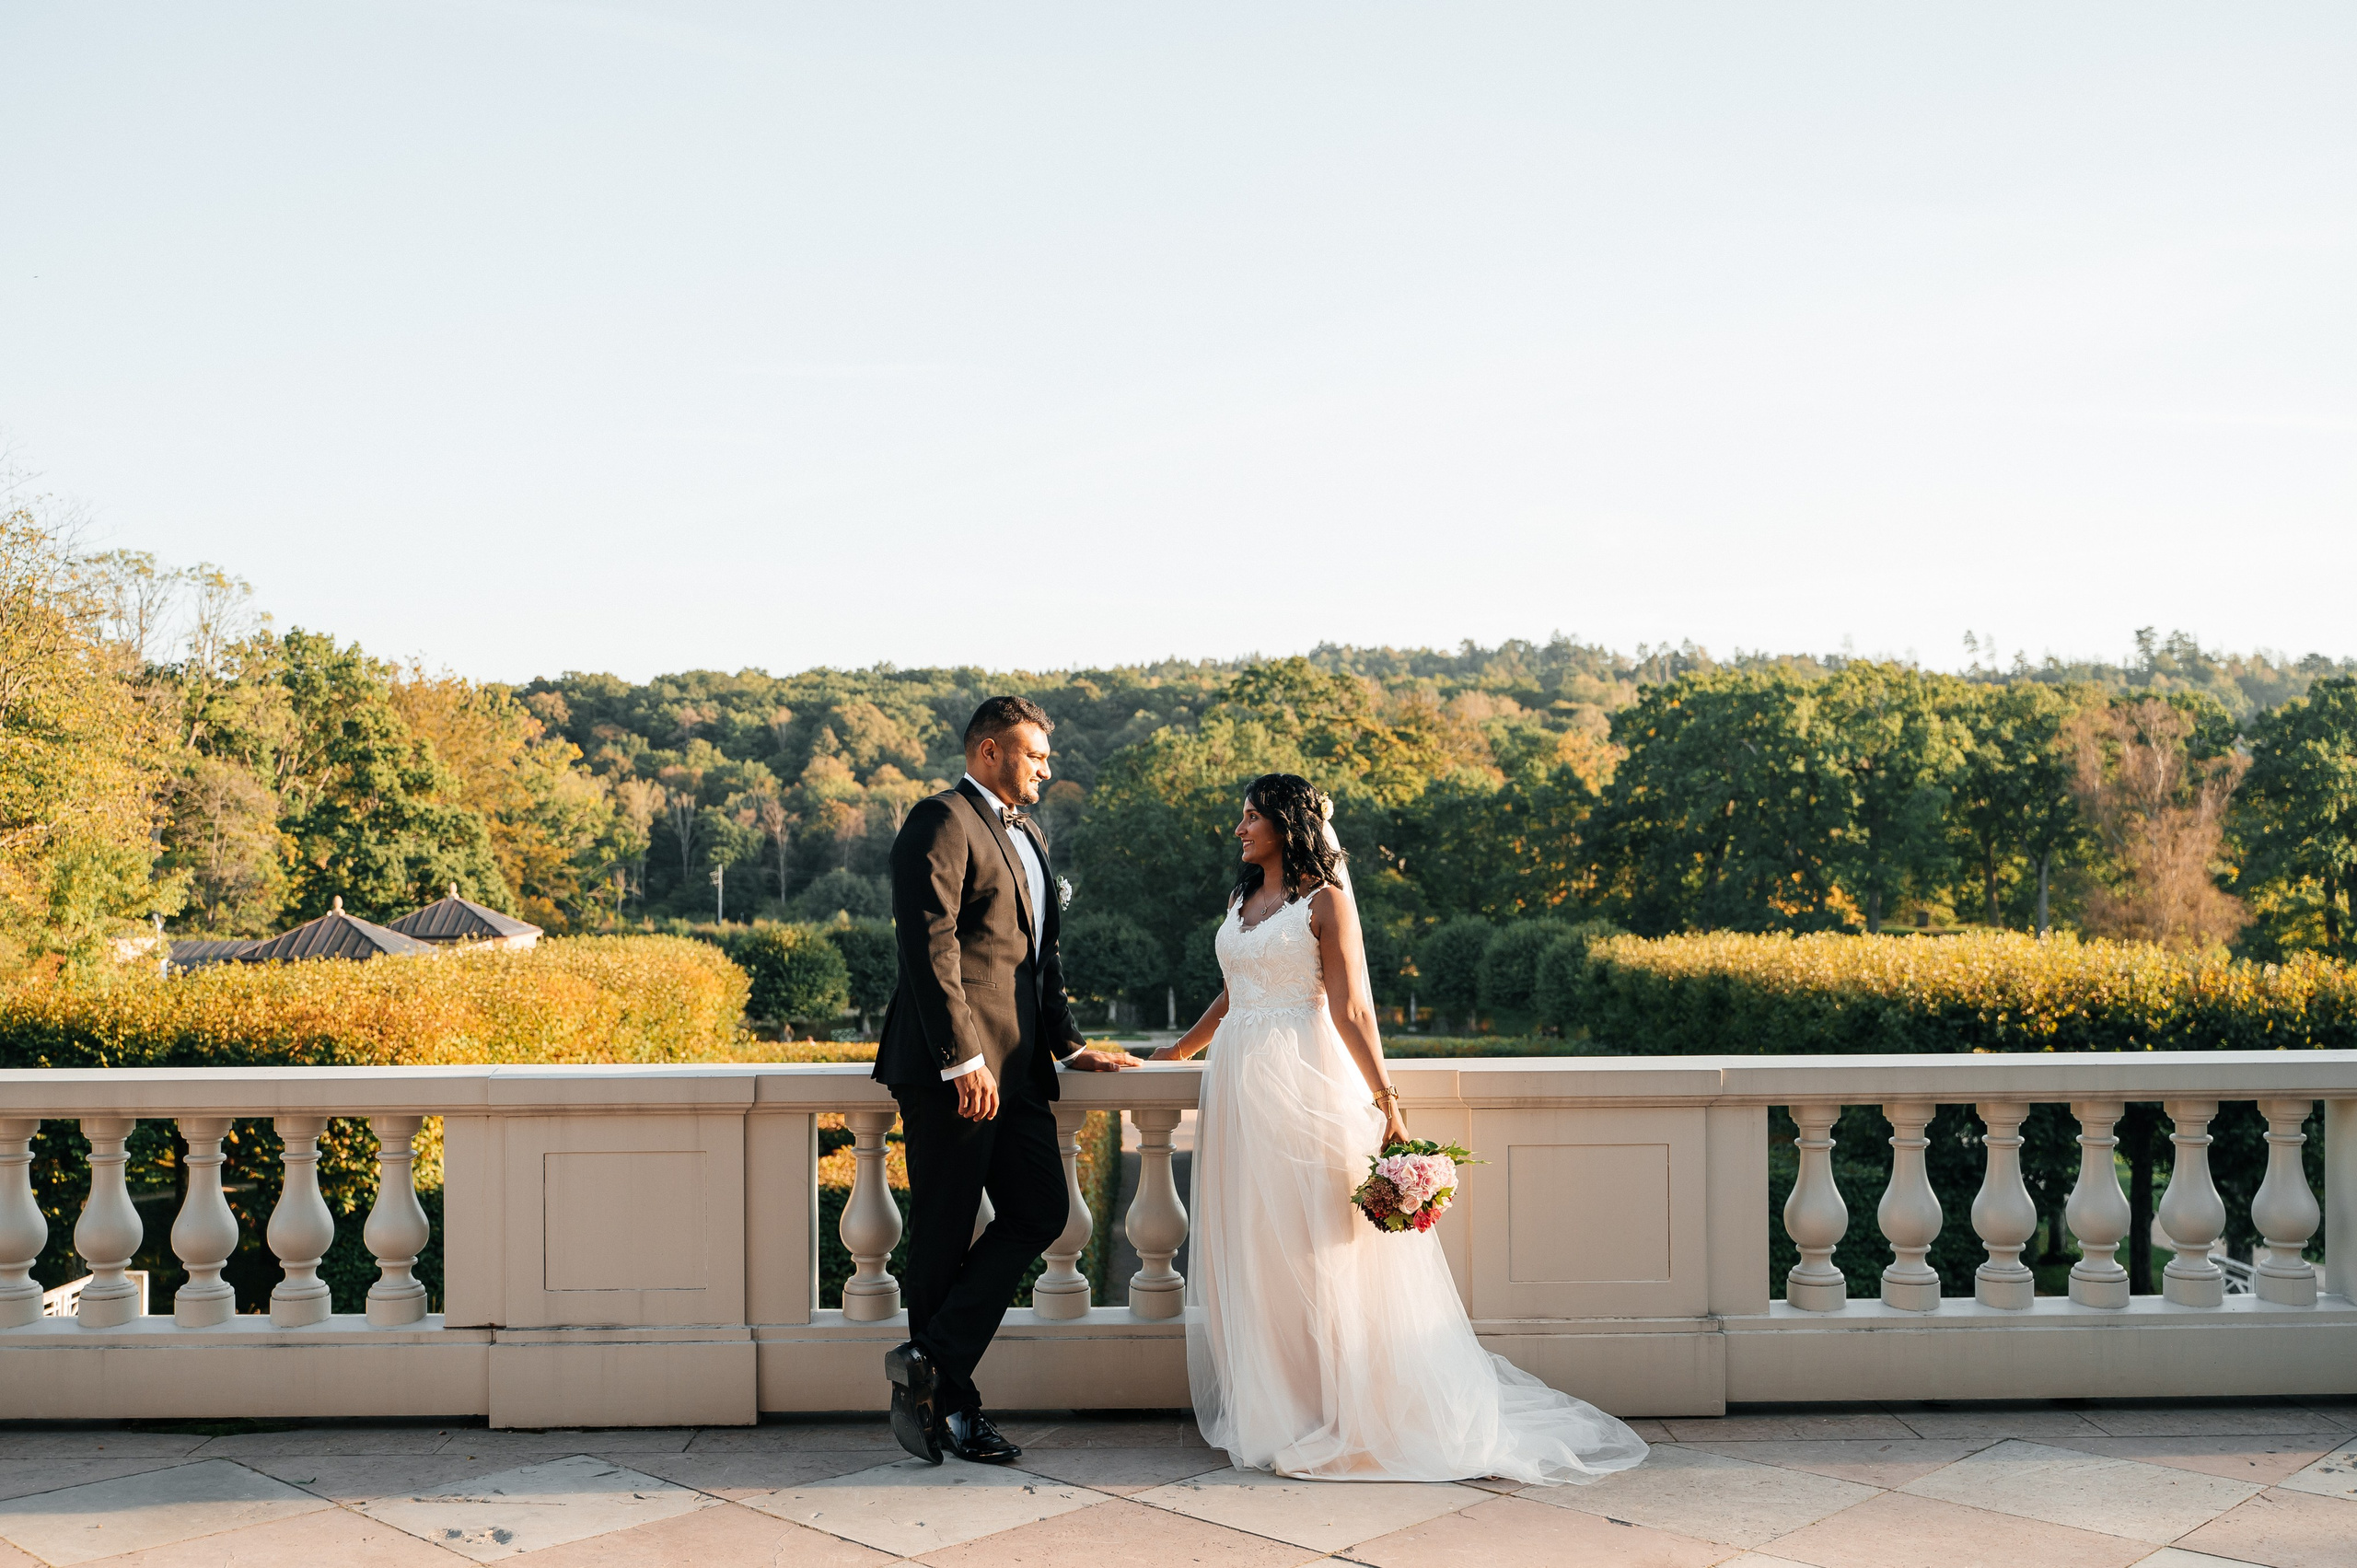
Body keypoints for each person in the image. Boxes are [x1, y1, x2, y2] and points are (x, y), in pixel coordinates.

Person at [1154, 772, 1648, 1484]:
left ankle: (1339, 1408)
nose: (1241, 828)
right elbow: (1235, 990)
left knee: (1314, 1245)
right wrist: (1174, 1052)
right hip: (1236, 1087)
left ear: (1288, 824)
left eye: (1253, 816)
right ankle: (1276, 1405)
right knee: (1253, 1243)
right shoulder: (1241, 898)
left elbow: (1353, 1008)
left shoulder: (1327, 902)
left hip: (1302, 1078)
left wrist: (1387, 1100)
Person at [872, 696, 1141, 1465]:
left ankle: (929, 1360)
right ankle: (955, 1411)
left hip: (1021, 1070)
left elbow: (1039, 960)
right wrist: (962, 1059)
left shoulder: (1028, 835)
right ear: (989, 751)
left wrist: (1069, 1044)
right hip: (952, 1070)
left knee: (1042, 1208)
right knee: (945, 1232)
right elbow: (929, 947)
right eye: (1035, 755)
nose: (1047, 769)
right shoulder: (940, 820)